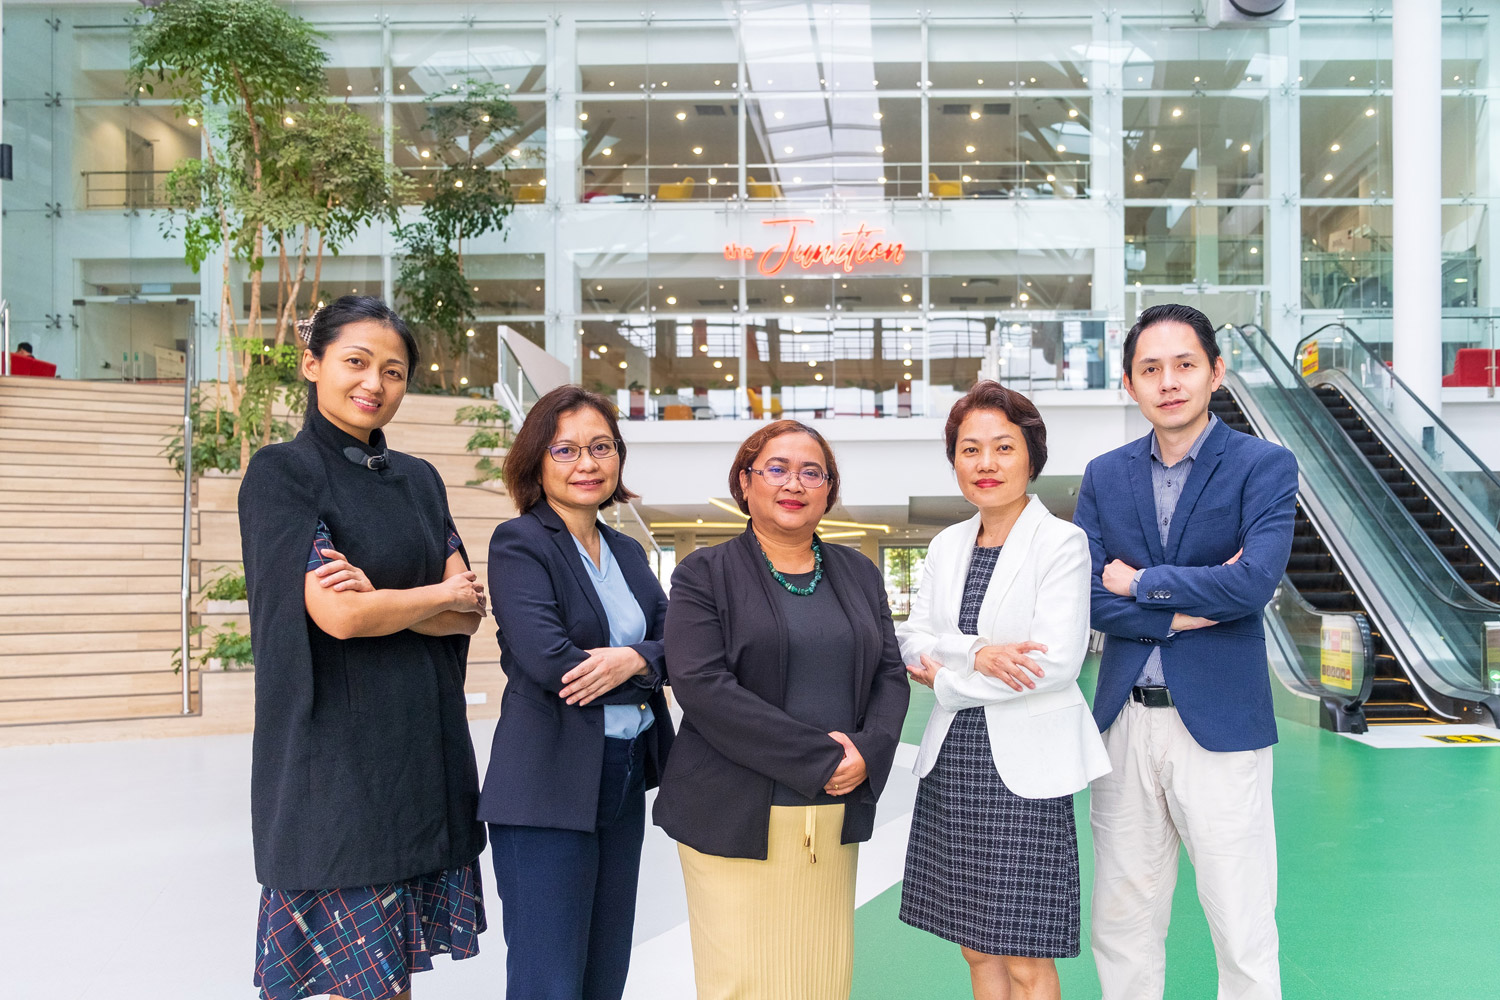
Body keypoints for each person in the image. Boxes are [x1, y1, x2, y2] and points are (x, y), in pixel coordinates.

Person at [238, 296, 490, 1000]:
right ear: (312, 364)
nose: (374, 384)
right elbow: (340, 618)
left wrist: (390, 600)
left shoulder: (420, 480)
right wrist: (432, 597)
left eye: (394, 371)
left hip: (421, 755)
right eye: (355, 362)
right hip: (337, 768)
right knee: (356, 983)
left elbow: (468, 615)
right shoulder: (283, 473)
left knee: (394, 981)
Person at [1073, 303, 1297, 1000]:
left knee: (1241, 916)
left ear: (1216, 372)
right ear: (1130, 384)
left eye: (1184, 364)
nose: (1168, 381)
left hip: (1221, 728)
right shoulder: (1104, 475)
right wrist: (1180, 616)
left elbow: (1252, 582)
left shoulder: (1264, 465)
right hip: (1122, 724)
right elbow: (1085, 595)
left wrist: (1142, 583)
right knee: (1123, 918)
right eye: (1150, 369)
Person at [654, 419, 911, 1000]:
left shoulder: (858, 571)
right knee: (742, 981)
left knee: (819, 977)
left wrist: (868, 753)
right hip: (731, 815)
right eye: (776, 468)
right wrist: (823, 758)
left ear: (829, 489)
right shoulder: (705, 573)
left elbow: (890, 676)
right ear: (745, 483)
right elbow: (701, 685)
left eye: (811, 471)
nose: (794, 483)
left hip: (829, 817)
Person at [898, 381, 1110, 1000]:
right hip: (955, 764)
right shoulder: (946, 544)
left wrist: (951, 679)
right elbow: (914, 640)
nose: (986, 464)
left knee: (1026, 954)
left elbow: (1054, 664)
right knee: (975, 945)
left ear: (1030, 455)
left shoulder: (1062, 543)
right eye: (970, 450)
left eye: (1002, 447)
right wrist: (979, 654)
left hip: (1026, 766)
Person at [477, 385, 674, 1000]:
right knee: (550, 978)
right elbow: (548, 659)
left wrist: (630, 660)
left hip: (622, 777)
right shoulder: (519, 542)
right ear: (536, 459)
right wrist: (644, 666)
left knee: (605, 965)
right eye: (565, 450)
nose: (586, 464)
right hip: (547, 784)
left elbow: (681, 643)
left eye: (601, 447)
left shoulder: (628, 550)